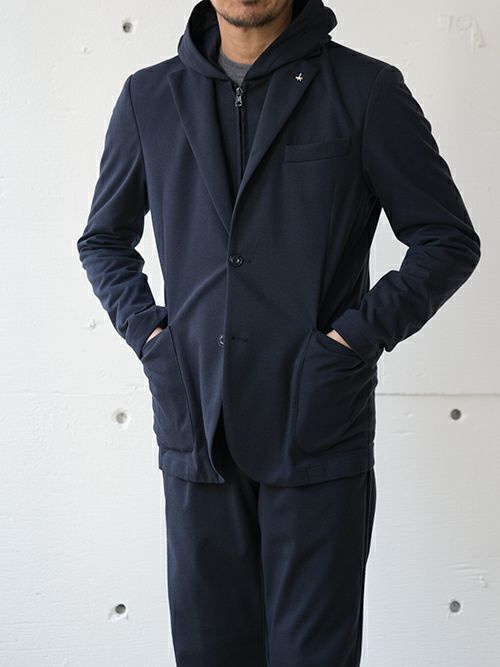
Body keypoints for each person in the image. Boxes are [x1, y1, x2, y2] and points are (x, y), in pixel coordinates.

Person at [76, 0, 481, 664]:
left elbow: (446, 240)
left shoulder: (367, 90)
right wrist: (153, 340)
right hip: (197, 424)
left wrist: (354, 340)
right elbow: (103, 240)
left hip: (315, 422)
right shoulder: (149, 97)